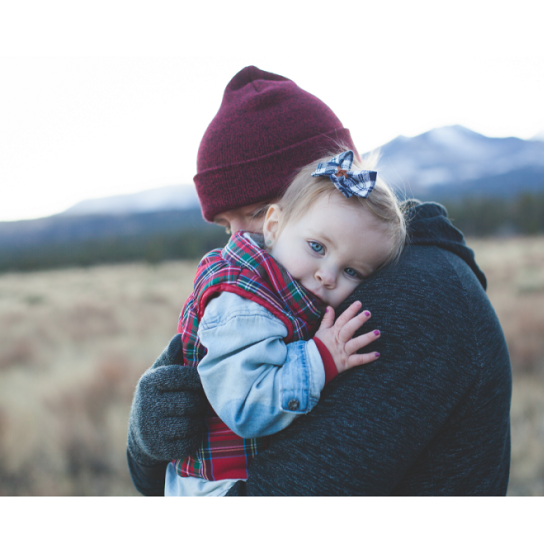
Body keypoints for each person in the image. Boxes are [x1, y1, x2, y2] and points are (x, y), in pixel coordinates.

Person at [127, 65, 512, 495]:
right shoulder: (285, 289)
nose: (238, 244)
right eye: (224, 226)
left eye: (255, 213)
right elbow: (157, 469)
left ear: (331, 183)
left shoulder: (414, 299)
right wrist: (147, 439)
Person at [166, 150, 406, 496]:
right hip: (218, 488)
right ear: (274, 227)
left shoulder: (288, 288)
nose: (327, 275)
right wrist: (320, 357)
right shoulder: (243, 304)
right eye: (316, 247)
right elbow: (246, 406)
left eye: (352, 271)